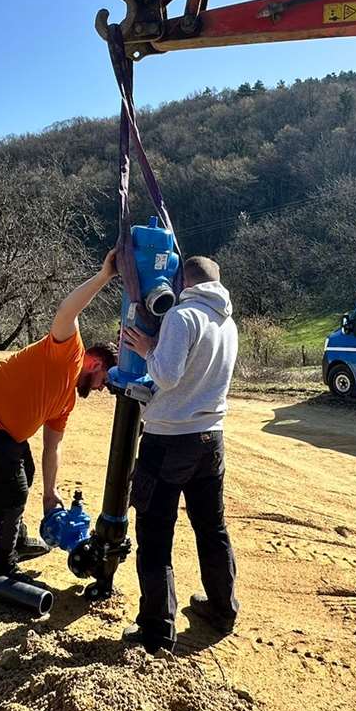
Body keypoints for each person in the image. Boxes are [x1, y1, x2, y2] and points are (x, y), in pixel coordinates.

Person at [0, 251, 119, 576]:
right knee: (11, 494)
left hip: (1, 433)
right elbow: (68, 310)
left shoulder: (66, 401)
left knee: (24, 469)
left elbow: (52, 447)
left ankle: (17, 539)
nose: (100, 389)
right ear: (95, 363)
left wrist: (50, 495)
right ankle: (2, 567)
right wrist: (104, 276)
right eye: (104, 381)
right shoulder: (68, 352)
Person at [118, 255, 239, 650]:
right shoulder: (227, 322)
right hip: (211, 440)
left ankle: (156, 631)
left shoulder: (182, 317)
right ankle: (222, 609)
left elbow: (167, 375)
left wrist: (151, 347)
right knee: (212, 528)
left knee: (154, 538)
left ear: (181, 280)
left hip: (168, 440)